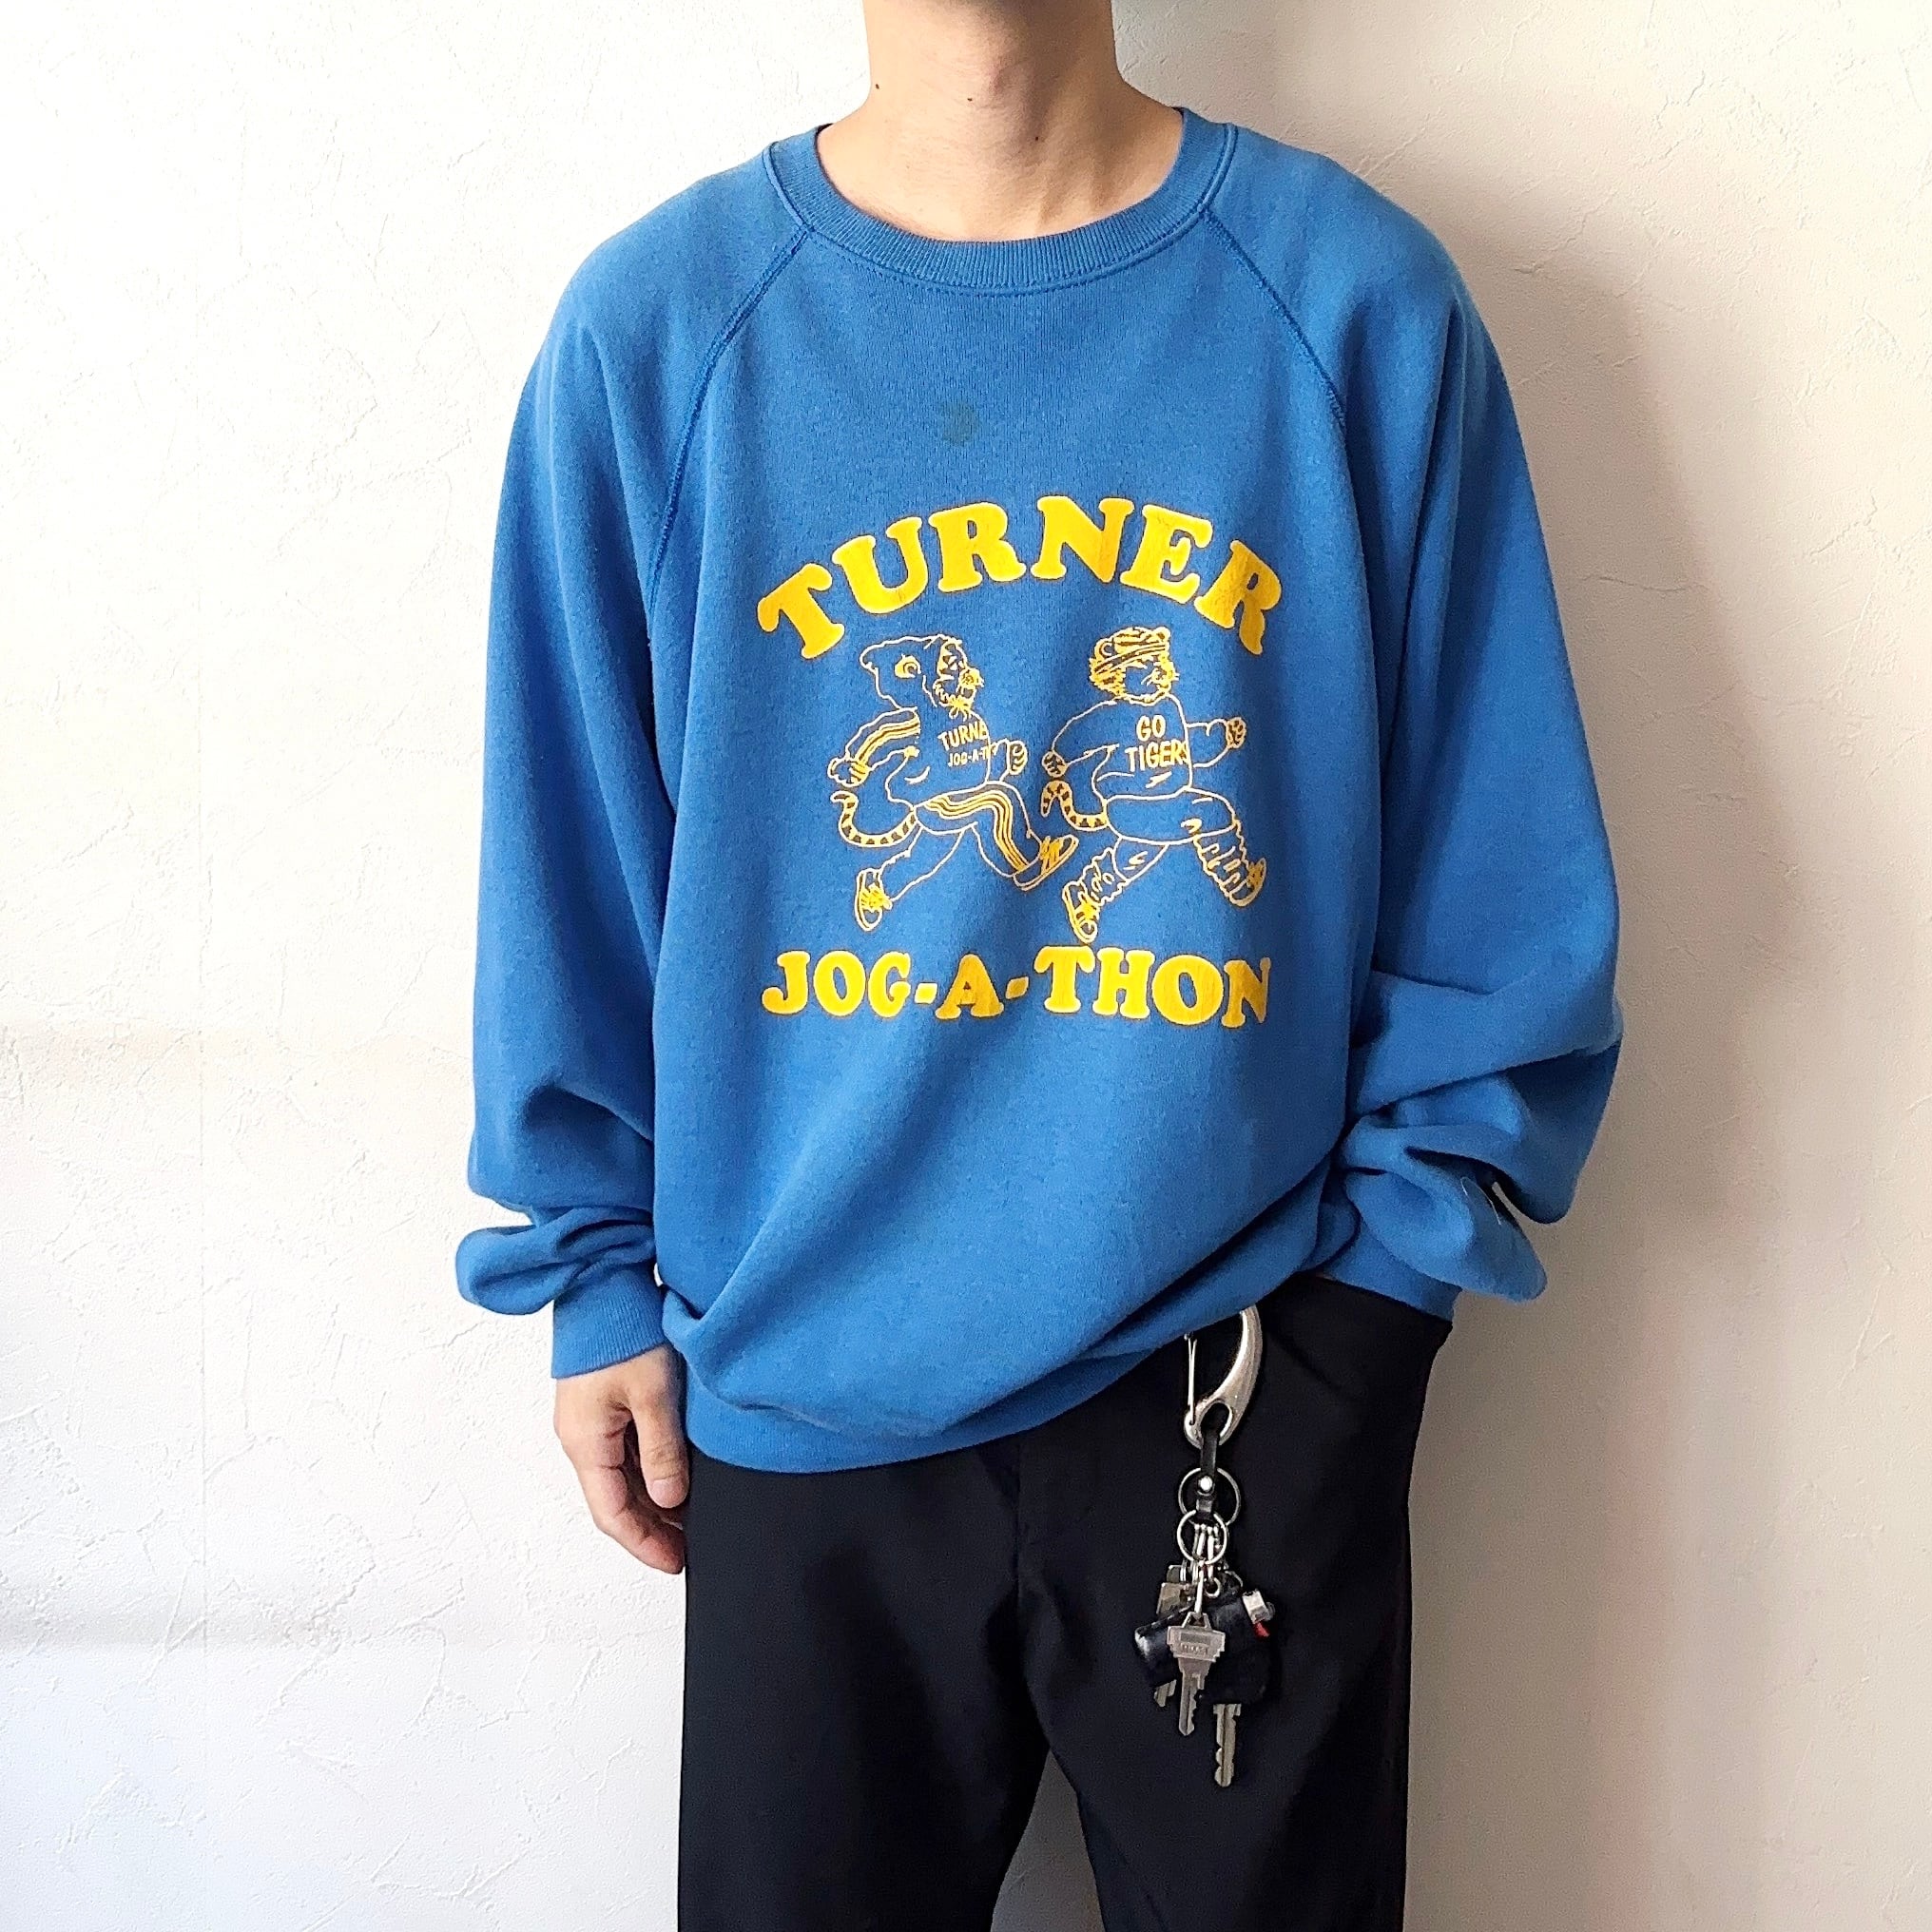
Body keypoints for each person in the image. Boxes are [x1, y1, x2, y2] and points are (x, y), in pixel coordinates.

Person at [455, 0, 1623, 1924]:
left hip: (1240, 1377)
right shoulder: (660, 332)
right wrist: (588, 1274)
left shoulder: (1348, 303)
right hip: (797, 1389)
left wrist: (1367, 1320)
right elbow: (573, 857)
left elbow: (1496, 873)